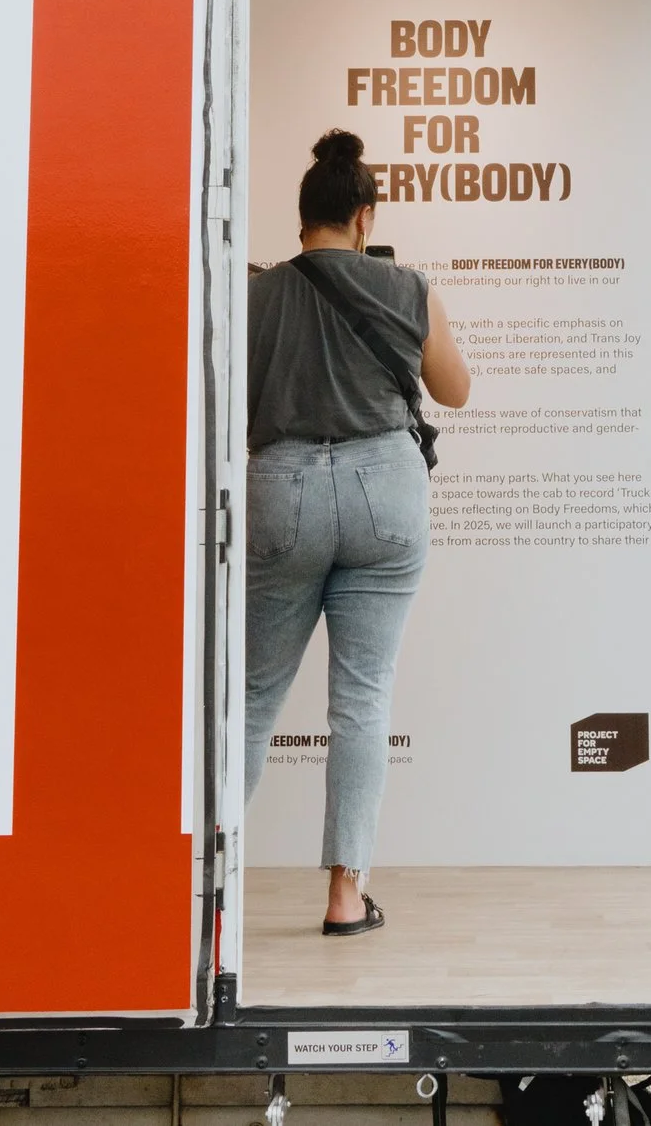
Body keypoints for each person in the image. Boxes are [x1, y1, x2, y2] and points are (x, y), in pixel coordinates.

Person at [243, 129, 471, 936]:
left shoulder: (255, 294)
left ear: (302, 218)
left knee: (252, 698)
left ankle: (204, 891)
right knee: (362, 701)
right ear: (365, 216)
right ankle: (346, 895)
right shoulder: (408, 286)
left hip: (284, 489)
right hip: (385, 489)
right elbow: (455, 390)